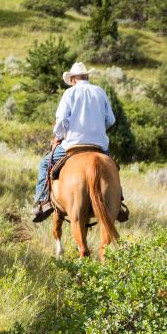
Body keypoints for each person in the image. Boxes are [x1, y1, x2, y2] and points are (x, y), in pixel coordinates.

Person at [33, 61, 115, 221]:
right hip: (99, 146)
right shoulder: (100, 92)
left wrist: (59, 135)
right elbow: (110, 120)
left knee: (44, 164)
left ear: (73, 79)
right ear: (87, 77)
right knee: (113, 169)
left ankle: (43, 202)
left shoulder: (69, 93)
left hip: (73, 145)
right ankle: (118, 204)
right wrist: (97, 128)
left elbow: (62, 120)